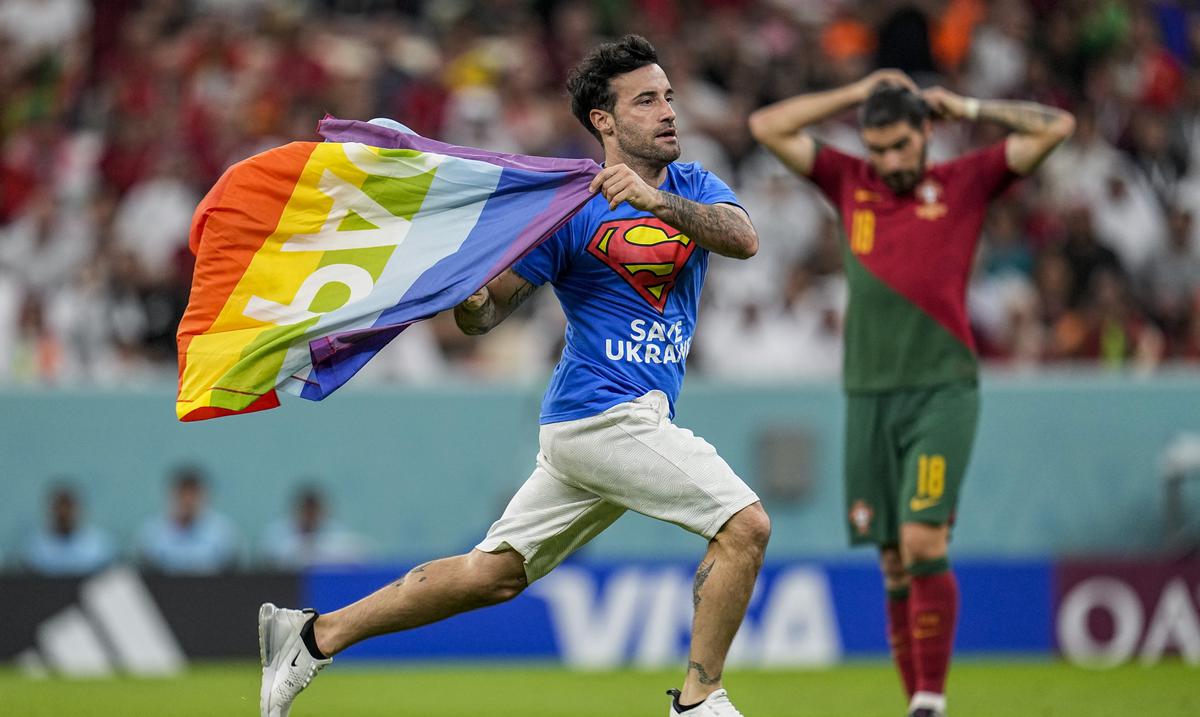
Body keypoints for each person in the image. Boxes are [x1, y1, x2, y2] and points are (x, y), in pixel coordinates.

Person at [258, 34, 770, 717]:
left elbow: (742, 238)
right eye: (646, 100)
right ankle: (699, 700)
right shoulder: (569, 208)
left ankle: (312, 637)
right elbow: (487, 313)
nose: (668, 111)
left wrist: (653, 201)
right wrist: (467, 295)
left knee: (492, 574)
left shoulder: (694, 187)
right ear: (604, 121)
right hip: (601, 415)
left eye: (668, 96)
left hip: (613, 423)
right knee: (745, 525)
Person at [749, 71, 1074, 717]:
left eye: (900, 145)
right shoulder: (850, 180)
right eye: (878, 148)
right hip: (867, 395)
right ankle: (917, 704)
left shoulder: (966, 180)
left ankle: (931, 698)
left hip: (941, 390)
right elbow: (767, 126)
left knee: (923, 540)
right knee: (894, 562)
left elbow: (1057, 127)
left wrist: (969, 106)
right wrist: (856, 92)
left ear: (927, 130)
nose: (890, 161)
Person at [136, 464, 239, 574]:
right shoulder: (151, 533)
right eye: (183, 494)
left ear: (204, 496)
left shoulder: (223, 532)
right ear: (172, 495)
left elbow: (233, 571)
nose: (188, 500)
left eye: (193, 494)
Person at [258, 485, 371, 569]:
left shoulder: (336, 534)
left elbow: (361, 555)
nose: (310, 515)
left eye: (313, 510)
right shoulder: (277, 533)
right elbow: (268, 560)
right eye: (306, 510)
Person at [20, 483, 116, 575]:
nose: (64, 513)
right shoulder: (35, 547)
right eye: (59, 508)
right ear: (51, 510)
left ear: (78, 509)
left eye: (68, 507)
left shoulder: (99, 545)